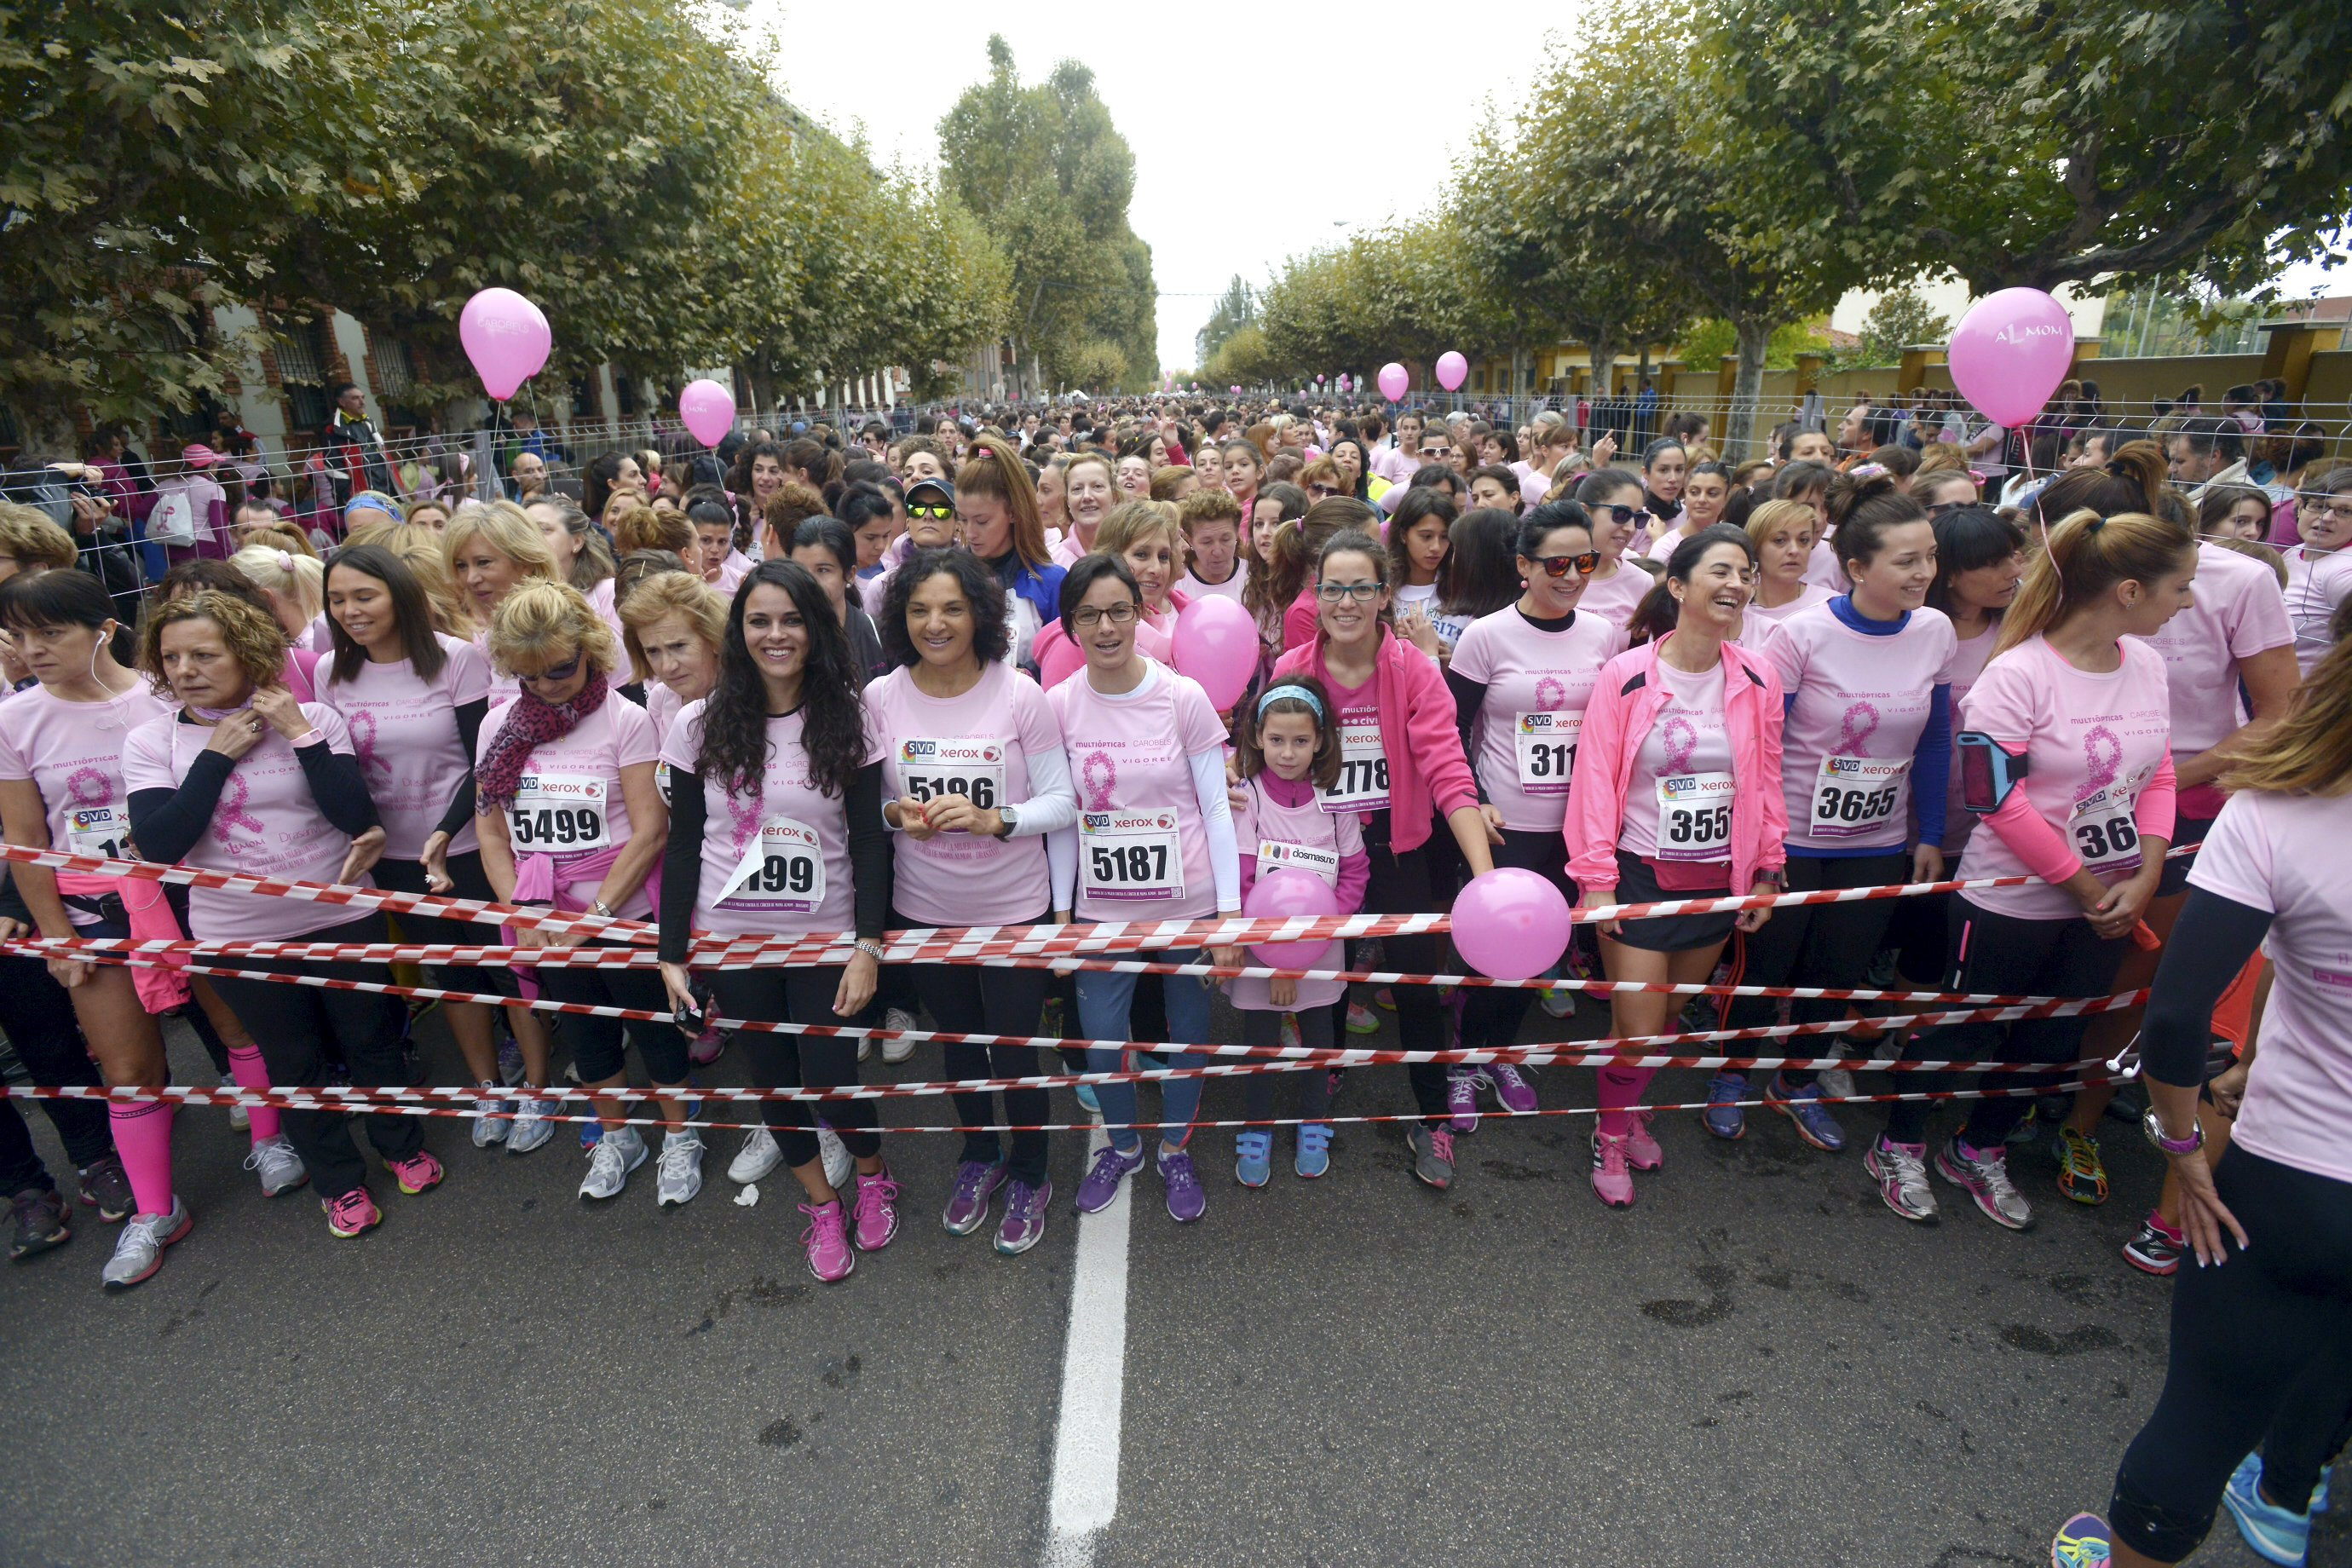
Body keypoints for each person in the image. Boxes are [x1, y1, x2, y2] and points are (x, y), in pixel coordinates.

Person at [2058, 625, 2352, 1567]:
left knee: (2202, 1415)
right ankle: (2289, 1493)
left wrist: (2183, 1151)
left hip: (2299, 1175)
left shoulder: (2277, 811)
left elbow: (2179, 1013)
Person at [1865, 508, 2188, 1232]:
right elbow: (1994, 800)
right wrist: (2085, 884)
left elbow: (2158, 774)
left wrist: (2145, 875)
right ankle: (1899, 1142)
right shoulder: (2016, 675)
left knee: (2050, 1042)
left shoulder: (2148, 664)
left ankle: (1979, 1148)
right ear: (2130, 592)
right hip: (2011, 901)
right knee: (1963, 1030)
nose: (2188, 602)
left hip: (2109, 899)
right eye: (2180, 587)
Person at [123, 590, 430, 1241]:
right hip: (238, 934)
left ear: (247, 653)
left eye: (204, 655)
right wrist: (215, 757)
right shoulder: (151, 742)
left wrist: (301, 736)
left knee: (373, 1041)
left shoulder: (313, 716)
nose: (186, 670)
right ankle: (338, 1184)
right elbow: (158, 846)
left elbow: (355, 816)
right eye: (172, 658)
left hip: (342, 915)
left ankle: (401, 1146)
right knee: (294, 1063)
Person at [2058, 476, 2297, 1241]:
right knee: (2053, 965)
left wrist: (2166, 781)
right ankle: (2015, 1104)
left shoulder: (2242, 581)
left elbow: (2280, 715)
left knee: (2131, 978)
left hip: (2181, 811)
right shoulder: (2065, 563)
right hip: (2060, 799)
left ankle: (2081, 1123)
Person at [0, 572, 245, 1287]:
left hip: (189, 896)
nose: (32, 650)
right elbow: (26, 841)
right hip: (92, 915)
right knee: (129, 1069)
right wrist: (57, 936)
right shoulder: (14, 720)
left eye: (51, 633)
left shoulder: (162, 695)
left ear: (104, 631)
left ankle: (272, 1144)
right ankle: (154, 1209)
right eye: (19, 635)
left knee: (235, 1029)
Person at [658, 562, 895, 1280]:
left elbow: (869, 840)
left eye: (791, 619)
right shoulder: (696, 724)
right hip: (734, 943)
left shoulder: (850, 717)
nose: (776, 635)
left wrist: (868, 947)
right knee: (773, 1081)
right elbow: (684, 842)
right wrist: (672, 955)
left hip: (824, 939)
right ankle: (821, 1204)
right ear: (739, 632)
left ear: (815, 628)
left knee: (830, 1079)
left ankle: (874, 1175)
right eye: (759, 621)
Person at [1710, 481, 1956, 1150]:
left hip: (1876, 839)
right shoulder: (1801, 635)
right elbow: (1761, 747)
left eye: (1930, 557)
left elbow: (1936, 738)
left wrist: (1930, 834)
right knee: (1765, 972)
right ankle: (1730, 1074)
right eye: (1907, 561)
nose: (1925, 572)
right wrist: (1766, 847)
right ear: (1857, 568)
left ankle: (1796, 1082)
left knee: (1837, 975)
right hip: (1793, 837)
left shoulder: (1935, 630)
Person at [1271, 528, 1502, 1189]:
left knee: (1416, 985)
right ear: (1316, 595)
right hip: (1319, 852)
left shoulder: (1414, 670)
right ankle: (1327, 1069)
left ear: (1383, 595)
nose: (1345, 603)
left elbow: (1448, 769)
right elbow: (1270, 758)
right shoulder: (1292, 669)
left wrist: (1485, 880)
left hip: (1400, 850)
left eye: (1361, 589)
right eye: (1333, 589)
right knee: (1329, 972)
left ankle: (1432, 1115)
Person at [1565, 524, 1785, 1208]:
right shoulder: (1627, 674)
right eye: (1721, 571)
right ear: (1679, 586)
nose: (1736, 584)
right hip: (1637, 874)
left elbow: (1767, 780)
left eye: (1745, 573)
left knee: (1665, 1018)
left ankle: (1627, 1106)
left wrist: (1767, 869)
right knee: (1638, 1028)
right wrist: (1596, 883)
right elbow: (1594, 780)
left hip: (1718, 878)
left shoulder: (1759, 675)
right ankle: (1609, 1132)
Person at [866, 550, 1076, 1253]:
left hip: (1014, 907)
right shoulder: (881, 697)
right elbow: (871, 806)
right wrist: (897, 815)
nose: (936, 623)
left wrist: (998, 819)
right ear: (900, 617)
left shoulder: (1019, 694)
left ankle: (1031, 1171)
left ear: (980, 614)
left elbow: (1062, 802)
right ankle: (979, 1155)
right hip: (924, 907)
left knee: (1013, 1051)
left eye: (952, 608)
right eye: (920, 609)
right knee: (958, 1046)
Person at [318, 544, 556, 1152]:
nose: (350, 610)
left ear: (399, 595)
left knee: (510, 969)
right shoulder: (329, 672)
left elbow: (486, 763)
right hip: (393, 858)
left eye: (364, 596)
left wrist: (447, 832)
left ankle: (538, 1087)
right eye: (337, 599)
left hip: (470, 845)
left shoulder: (457, 659)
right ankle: (487, 1088)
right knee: (451, 974)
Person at [473, 582, 694, 1205]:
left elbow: (650, 832)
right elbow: (491, 832)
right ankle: (618, 1137)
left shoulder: (626, 719)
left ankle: (682, 1136)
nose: (546, 685)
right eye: (529, 674)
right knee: (584, 1034)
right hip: (545, 916)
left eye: (560, 669)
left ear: (590, 650)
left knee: (655, 1032)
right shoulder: (497, 725)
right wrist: (524, 913)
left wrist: (594, 917)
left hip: (622, 914)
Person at [1048, 555, 1239, 1222]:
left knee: (1187, 1037)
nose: (1106, 627)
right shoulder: (1058, 706)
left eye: (1118, 611)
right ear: (1070, 625)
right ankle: (1124, 1146)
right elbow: (1064, 818)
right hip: (1101, 912)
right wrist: (1062, 913)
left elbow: (1216, 810)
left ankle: (1175, 1148)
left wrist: (1228, 917)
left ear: (1139, 614)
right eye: (1089, 615)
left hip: (1189, 906)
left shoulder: (1182, 697)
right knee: (1102, 1039)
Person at [1444, 504, 1627, 1117]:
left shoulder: (1603, 634)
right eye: (1557, 564)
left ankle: (1500, 1050)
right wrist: (1476, 799)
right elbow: (1452, 729)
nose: (1573, 576)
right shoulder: (1486, 636)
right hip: (1507, 827)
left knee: (1543, 951)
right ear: (1524, 565)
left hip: (1576, 830)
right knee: (1493, 950)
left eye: (1585, 562)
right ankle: (1465, 1059)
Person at [1225, 676, 1366, 1184]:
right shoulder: (1248, 798)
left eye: (1301, 740)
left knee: (1319, 1040)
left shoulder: (1335, 800)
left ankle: (1313, 1120)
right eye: (1277, 739)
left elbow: (1355, 873)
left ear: (1320, 741)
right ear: (1258, 738)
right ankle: (1257, 1126)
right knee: (1260, 1044)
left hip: (1321, 948)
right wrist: (1276, 959)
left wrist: (1318, 938)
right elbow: (1243, 883)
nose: (1288, 753)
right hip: (1261, 953)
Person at [1886, 505, 2027, 989]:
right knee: (1876, 942)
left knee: (1936, 953)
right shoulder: (1910, 632)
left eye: (2014, 556)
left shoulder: (2020, 635)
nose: (2012, 571)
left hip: (1983, 832)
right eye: (1992, 562)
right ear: (1947, 573)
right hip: (1896, 827)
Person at [950, 435, 1064, 669]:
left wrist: (1030, 677)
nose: (970, 533)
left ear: (1013, 512)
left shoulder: (1050, 582)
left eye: (982, 521)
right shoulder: (948, 576)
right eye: (963, 519)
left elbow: (1064, 664)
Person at [443, 499, 562, 703]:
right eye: (461, 566)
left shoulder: (572, 630)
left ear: (524, 562)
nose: (471, 578)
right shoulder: (487, 642)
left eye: (483, 562)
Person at [786, 516, 885, 679]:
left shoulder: (879, 636)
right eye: (799, 570)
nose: (809, 581)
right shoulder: (778, 637)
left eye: (823, 570)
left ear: (850, 574)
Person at [2282, 465, 2352, 677]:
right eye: (2319, 506)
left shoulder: (2344, 570)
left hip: (2313, 692)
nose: (2327, 517)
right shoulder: (2294, 552)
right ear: (2300, 508)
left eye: (2345, 511)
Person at [1571, 469, 1658, 631]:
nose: (1631, 528)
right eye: (1621, 514)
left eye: (1639, 518)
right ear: (1585, 513)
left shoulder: (1641, 582)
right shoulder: (1551, 571)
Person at [1738, 498, 1833, 642]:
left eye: (1803, 540)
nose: (1794, 550)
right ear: (1756, 547)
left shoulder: (1830, 607)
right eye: (1780, 540)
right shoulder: (1736, 604)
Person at [1388, 487, 1455, 657]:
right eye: (1426, 536)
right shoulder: (1382, 589)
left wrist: (1451, 664)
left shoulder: (1463, 590)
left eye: (1444, 537)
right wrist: (1389, 638)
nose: (1436, 547)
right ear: (1403, 535)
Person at [1175, 488, 1247, 602]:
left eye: (1225, 540)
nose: (1217, 552)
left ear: (1237, 534)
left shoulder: (1253, 578)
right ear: (1190, 541)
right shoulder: (1177, 584)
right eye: (1206, 542)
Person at [1049, 453, 1115, 566]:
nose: (1086, 496)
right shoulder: (1054, 563)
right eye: (1077, 489)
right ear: (1068, 502)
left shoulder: (1133, 554)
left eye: (1097, 486)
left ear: (1115, 496)